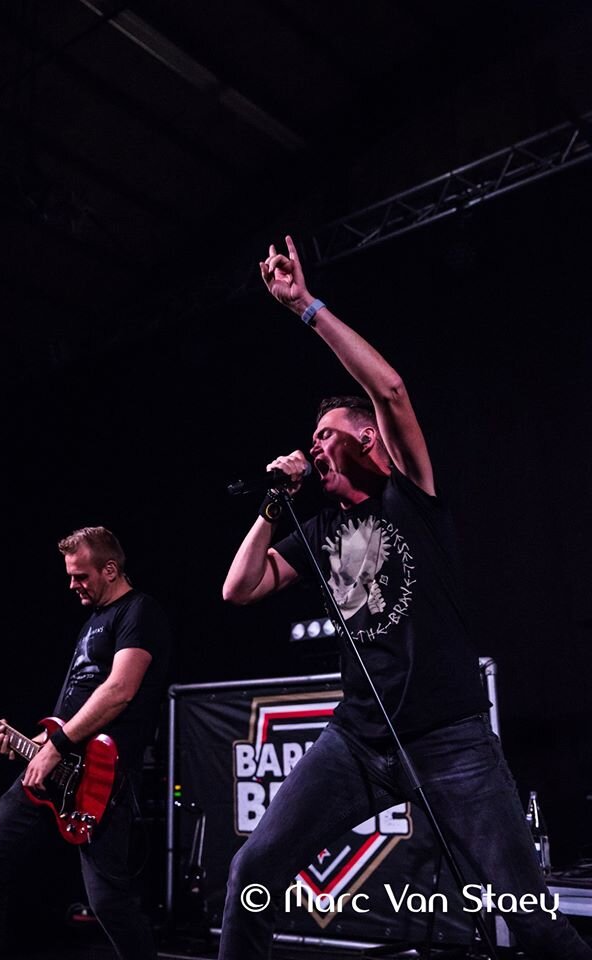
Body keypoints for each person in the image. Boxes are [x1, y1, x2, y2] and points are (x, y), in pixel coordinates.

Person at [219, 236, 592, 959]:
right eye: (311, 439)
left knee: (532, 920)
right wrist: (272, 503)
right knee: (250, 876)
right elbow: (239, 588)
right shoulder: (319, 529)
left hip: (450, 739)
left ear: (368, 438)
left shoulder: (411, 493)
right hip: (358, 739)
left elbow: (389, 390)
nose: (315, 447)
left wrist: (304, 307)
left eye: (327, 435)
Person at [0, 526, 172, 960]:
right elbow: (71, 706)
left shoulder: (140, 612)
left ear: (110, 569)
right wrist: (32, 741)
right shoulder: (91, 622)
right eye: (70, 576)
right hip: (51, 770)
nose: (72, 585)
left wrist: (55, 745)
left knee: (110, 904)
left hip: (101, 778)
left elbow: (119, 690)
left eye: (81, 575)